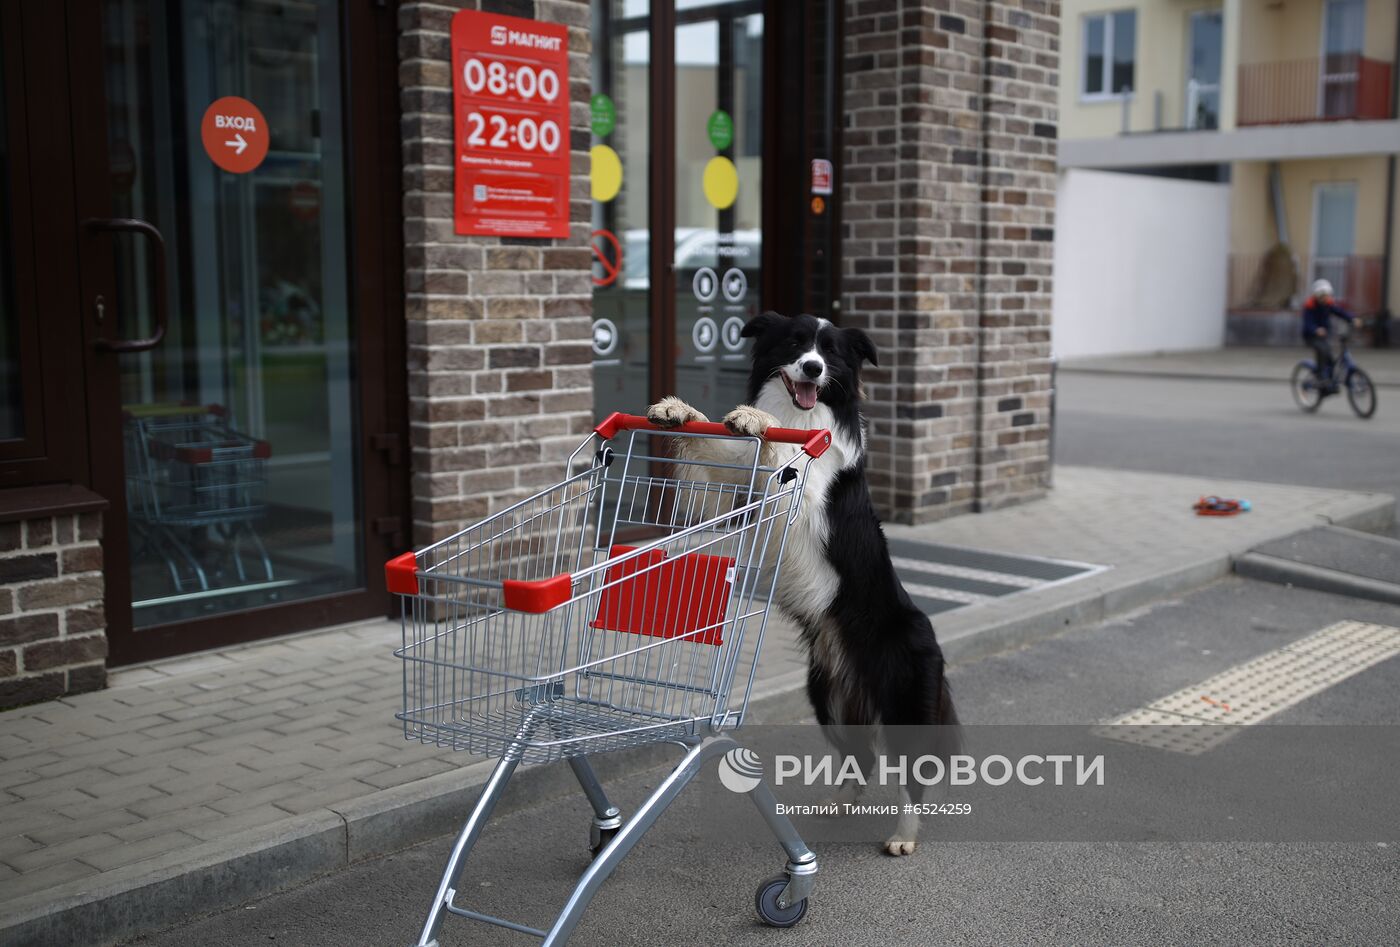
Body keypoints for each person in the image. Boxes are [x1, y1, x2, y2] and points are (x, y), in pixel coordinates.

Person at [1301, 279, 1355, 388]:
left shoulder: (1328, 304)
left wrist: (1352, 318)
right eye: (1323, 296)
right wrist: (1316, 329)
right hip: (1311, 336)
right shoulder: (1309, 306)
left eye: (1327, 295)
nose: (1326, 298)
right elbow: (1308, 323)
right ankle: (1320, 376)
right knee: (1322, 350)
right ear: (1318, 296)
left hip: (1324, 335)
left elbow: (1340, 312)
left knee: (1330, 357)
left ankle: (1329, 380)